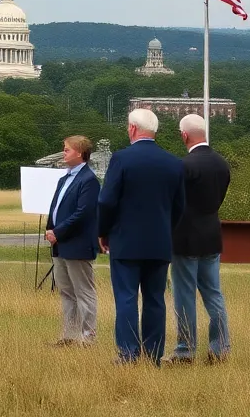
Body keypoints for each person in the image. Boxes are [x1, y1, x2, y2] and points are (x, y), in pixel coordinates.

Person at [97, 108, 186, 365]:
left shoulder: (122, 159)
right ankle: (153, 355)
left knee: (126, 298)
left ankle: (128, 353)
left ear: (133, 129)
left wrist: (103, 232)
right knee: (155, 300)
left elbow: (106, 201)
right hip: (159, 243)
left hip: (125, 242)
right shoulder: (174, 163)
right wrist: (166, 230)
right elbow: (179, 207)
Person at [167, 114, 232, 365]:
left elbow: (175, 202)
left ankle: (185, 350)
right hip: (212, 235)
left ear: (184, 135)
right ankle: (220, 347)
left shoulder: (185, 166)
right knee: (214, 294)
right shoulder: (222, 164)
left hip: (184, 238)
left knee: (184, 296)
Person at [44, 135, 100, 347]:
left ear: (79, 152)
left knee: (83, 292)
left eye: (67, 149)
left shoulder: (89, 180)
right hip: (60, 244)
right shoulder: (64, 179)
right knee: (66, 291)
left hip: (77, 244)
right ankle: (69, 336)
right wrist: (50, 229)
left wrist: (58, 231)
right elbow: (56, 207)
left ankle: (88, 338)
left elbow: (83, 213)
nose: (64, 152)